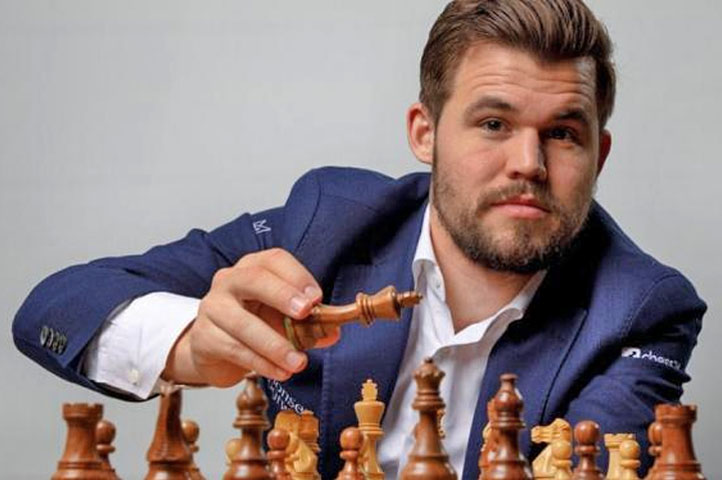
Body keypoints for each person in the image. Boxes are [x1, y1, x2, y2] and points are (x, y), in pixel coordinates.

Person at [12, 0, 705, 478]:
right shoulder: (326, 227)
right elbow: (56, 305)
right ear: (425, 134)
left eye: (562, 132)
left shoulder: (642, 309)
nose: (528, 162)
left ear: (598, 155)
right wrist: (189, 344)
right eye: (493, 124)